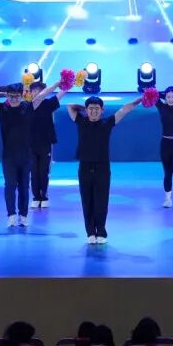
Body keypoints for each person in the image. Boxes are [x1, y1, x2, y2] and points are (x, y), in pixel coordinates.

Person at [66, 95, 143, 244]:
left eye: (97, 109)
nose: (94, 111)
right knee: (87, 201)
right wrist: (85, 109)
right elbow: (70, 106)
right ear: (86, 110)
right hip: (84, 167)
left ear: (102, 110)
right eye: (91, 109)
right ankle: (90, 232)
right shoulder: (81, 121)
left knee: (101, 201)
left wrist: (139, 99)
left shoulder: (107, 123)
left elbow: (125, 109)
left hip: (102, 168)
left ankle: (101, 231)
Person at [0, 83, 57, 228]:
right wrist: (4, 93)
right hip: (9, 157)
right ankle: (11, 215)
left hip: (26, 156)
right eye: (11, 96)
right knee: (10, 186)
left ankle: (23, 216)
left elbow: (43, 94)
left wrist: (58, 84)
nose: (14, 99)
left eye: (17, 96)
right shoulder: (2, 109)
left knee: (24, 187)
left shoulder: (28, 107)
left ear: (22, 96)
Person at [28, 80, 70, 209]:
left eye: (39, 90)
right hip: (30, 144)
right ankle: (36, 197)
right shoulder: (28, 105)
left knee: (43, 171)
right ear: (30, 93)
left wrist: (69, 83)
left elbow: (61, 93)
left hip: (46, 143)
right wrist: (57, 83)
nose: (37, 93)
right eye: (34, 91)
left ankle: (44, 196)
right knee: (34, 171)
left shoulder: (48, 104)